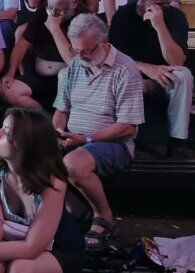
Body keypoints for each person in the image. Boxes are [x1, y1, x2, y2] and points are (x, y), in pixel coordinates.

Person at [53, 14, 144, 252]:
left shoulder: (125, 69)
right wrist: (58, 131)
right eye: (75, 51)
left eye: (85, 51)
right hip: (74, 138)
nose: (80, 56)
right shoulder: (76, 65)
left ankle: (103, 216)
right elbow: (61, 110)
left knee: (73, 163)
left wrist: (86, 139)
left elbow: (128, 126)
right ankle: (69, 213)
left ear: (103, 42)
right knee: (30, 151)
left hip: (113, 143)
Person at [0, 108, 85, 273]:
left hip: (57, 248)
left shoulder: (53, 183)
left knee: (20, 267)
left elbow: (32, 247)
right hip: (12, 242)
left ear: (25, 143)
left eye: (6, 132)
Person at [108, 0, 193, 158]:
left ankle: (177, 143)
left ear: (164, 6)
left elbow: (177, 62)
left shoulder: (176, 18)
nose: (140, 2)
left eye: (147, 1)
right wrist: (145, 69)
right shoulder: (124, 15)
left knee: (184, 75)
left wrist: (160, 27)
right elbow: (113, 57)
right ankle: (120, 140)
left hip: (162, 79)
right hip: (129, 75)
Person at [0, 0, 81, 111]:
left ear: (74, 4)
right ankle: (43, 118)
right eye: (50, 8)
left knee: (64, 75)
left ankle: (60, 120)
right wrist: (10, 72)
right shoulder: (45, 9)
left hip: (67, 80)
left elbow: (74, 63)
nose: (53, 14)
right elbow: (22, 45)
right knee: (8, 91)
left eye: (59, 11)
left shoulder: (83, 18)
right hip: (40, 77)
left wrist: (55, 28)